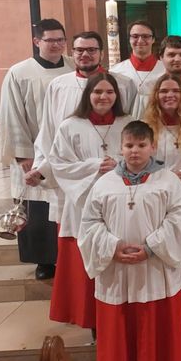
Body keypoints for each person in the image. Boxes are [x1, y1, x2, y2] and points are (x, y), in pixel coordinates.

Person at [78, 120, 181, 361]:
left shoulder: (168, 181)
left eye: (141, 145)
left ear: (153, 147)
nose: (135, 151)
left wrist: (152, 247)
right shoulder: (105, 183)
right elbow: (88, 223)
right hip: (116, 272)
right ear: (120, 148)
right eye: (129, 145)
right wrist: (112, 246)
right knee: (120, 341)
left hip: (154, 270)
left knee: (157, 339)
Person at [29, 31, 137, 279]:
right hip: (75, 186)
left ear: (101, 52)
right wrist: (42, 168)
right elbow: (48, 132)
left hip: (121, 188)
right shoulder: (59, 86)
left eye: (91, 49)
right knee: (77, 231)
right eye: (79, 50)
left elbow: (136, 141)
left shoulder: (123, 86)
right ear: (72, 52)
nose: (85, 54)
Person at [47, 73, 132, 332]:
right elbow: (59, 164)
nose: (103, 97)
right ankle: (93, 320)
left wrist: (118, 166)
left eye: (109, 92)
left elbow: (145, 153)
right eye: (98, 92)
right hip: (83, 202)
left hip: (122, 202)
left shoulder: (129, 123)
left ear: (117, 95)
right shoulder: (70, 126)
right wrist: (96, 166)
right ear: (88, 95)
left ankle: (120, 316)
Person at [0, 18, 73, 280]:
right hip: (33, 152)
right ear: (37, 41)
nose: (56, 45)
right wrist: (24, 154)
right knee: (39, 206)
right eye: (50, 40)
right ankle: (44, 261)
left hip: (69, 153)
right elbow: (12, 115)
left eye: (60, 40)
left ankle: (69, 257)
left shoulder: (74, 68)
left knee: (66, 205)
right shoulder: (20, 73)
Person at [110, 20, 166, 118]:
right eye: (135, 36)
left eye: (145, 36)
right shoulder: (116, 72)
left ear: (153, 39)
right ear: (129, 39)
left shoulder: (166, 71)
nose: (140, 41)